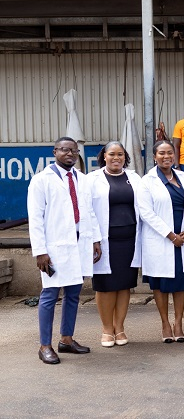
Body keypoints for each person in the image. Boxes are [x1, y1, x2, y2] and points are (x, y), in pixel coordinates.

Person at [27, 137, 102, 364]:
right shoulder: (41, 180)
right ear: (54, 152)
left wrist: (95, 240)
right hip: (54, 247)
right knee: (50, 295)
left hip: (79, 245)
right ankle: (45, 345)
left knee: (73, 294)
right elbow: (35, 219)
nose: (69, 154)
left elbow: (89, 212)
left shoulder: (83, 179)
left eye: (73, 150)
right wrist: (40, 251)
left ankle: (66, 339)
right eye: (64, 150)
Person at [138, 140, 184, 343]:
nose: (166, 157)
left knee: (181, 284)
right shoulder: (147, 181)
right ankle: (165, 323)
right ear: (154, 156)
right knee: (161, 283)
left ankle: (179, 323)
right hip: (162, 240)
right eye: (162, 153)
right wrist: (170, 235)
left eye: (170, 153)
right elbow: (146, 213)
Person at [90, 141, 142, 348]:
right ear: (104, 156)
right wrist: (94, 238)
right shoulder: (92, 179)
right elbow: (88, 211)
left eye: (120, 154)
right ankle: (106, 329)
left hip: (129, 240)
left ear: (124, 157)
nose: (116, 158)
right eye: (112, 154)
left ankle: (119, 327)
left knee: (124, 285)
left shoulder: (134, 178)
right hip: (104, 240)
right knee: (105, 286)